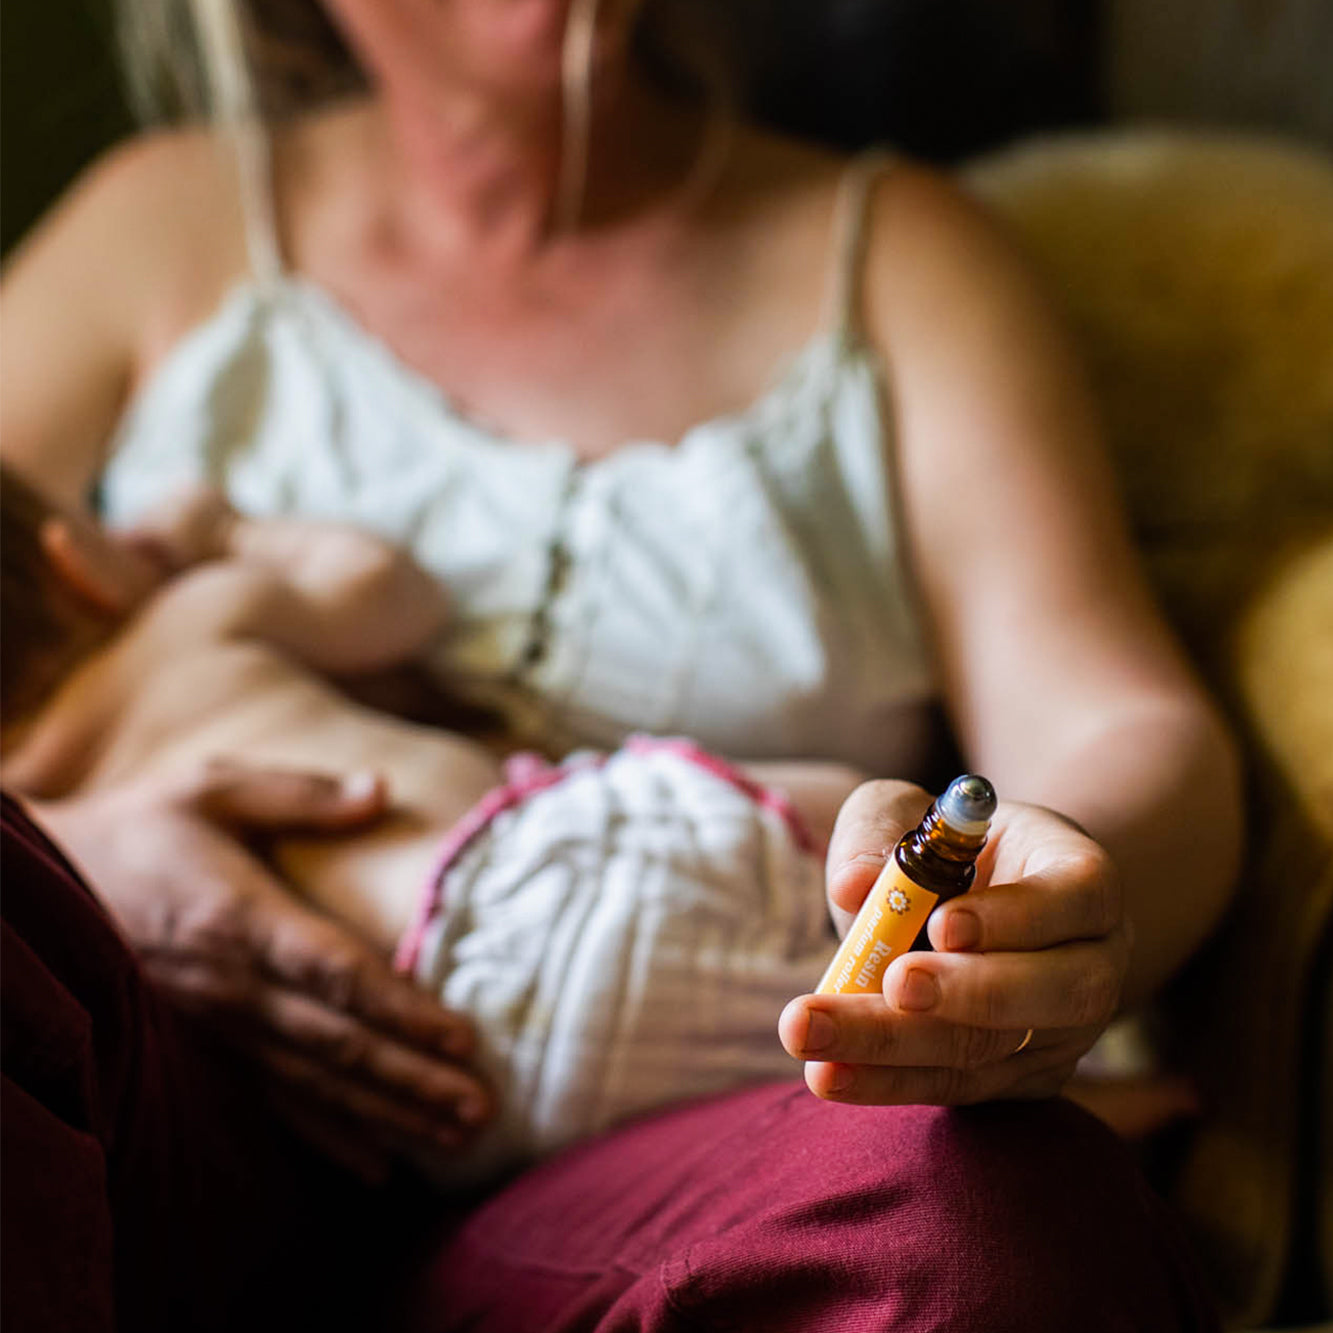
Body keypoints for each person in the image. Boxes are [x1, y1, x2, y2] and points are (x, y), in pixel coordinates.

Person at [0, 0, 1241, 1326]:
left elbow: (1110, 718)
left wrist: (1042, 927)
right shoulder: (157, 226)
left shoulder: (894, 261)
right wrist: (83, 857)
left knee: (978, 1224)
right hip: (181, 1128)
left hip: (686, 1138)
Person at [2, 467, 861, 1182]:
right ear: (76, 561)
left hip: (445, 1083)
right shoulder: (183, 624)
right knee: (843, 810)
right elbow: (391, 596)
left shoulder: (39, 820)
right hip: (545, 857)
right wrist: (225, 534)